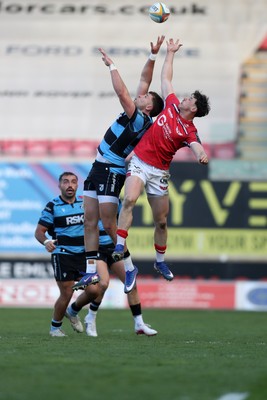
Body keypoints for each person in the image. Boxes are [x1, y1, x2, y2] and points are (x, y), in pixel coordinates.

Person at [112, 38, 211, 292]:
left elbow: (196, 145)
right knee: (130, 199)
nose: (185, 98)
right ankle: (119, 245)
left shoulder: (189, 129)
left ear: (194, 108)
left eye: (190, 99)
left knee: (162, 222)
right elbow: (166, 79)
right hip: (140, 162)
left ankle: (160, 262)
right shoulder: (170, 104)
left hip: (159, 173)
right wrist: (170, 53)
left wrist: (201, 154)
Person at [73, 36, 165, 293]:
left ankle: (130, 266)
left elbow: (122, 92)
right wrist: (153, 56)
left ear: (149, 107)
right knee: (89, 221)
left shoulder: (137, 119)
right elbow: (145, 80)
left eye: (145, 96)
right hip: (97, 166)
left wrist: (112, 66)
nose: (141, 94)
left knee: (109, 224)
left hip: (111, 170)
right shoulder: (139, 111)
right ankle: (90, 271)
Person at [69, 201, 157, 337]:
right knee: (103, 283)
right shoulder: (90, 199)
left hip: (114, 247)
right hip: (96, 248)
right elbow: (85, 224)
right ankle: (90, 318)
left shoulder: (117, 201)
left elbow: (124, 219)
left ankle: (139, 324)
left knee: (131, 283)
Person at [34, 172, 100, 337]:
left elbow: (94, 226)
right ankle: (55, 328)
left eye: (73, 182)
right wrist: (46, 242)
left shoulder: (85, 204)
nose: (69, 185)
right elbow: (39, 232)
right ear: (59, 185)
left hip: (84, 255)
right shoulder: (53, 206)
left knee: (94, 290)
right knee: (67, 292)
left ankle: (72, 310)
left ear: (78, 185)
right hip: (63, 254)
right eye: (65, 182)